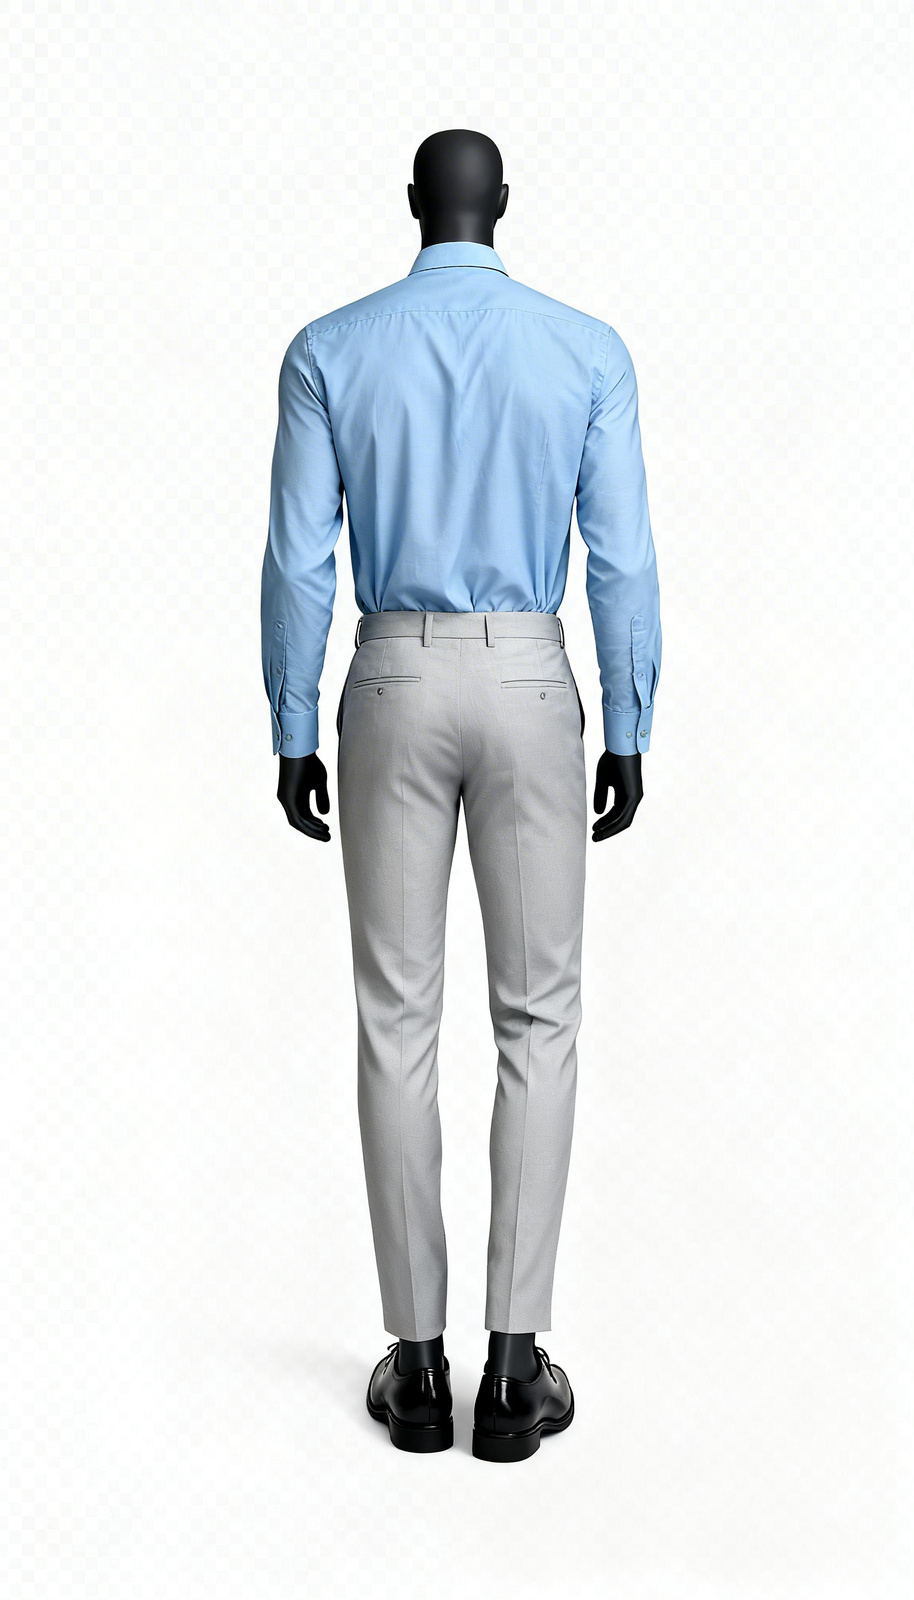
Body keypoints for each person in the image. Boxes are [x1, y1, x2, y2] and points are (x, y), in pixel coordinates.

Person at [260, 129, 662, 1462]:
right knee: (538, 1018)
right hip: (533, 677)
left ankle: (419, 1366)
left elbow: (299, 561)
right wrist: (629, 722)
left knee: (396, 1020)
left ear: (415, 208)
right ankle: (516, 1366)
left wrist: (291, 725)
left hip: (386, 675)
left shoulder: (328, 350)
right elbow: (620, 559)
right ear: (500, 209)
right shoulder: (585, 350)